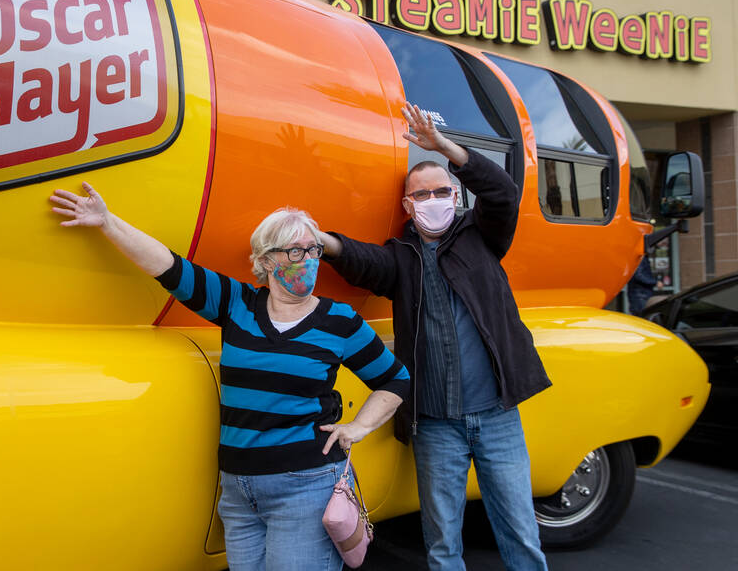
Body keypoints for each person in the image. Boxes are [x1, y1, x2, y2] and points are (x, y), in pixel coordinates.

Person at [49, 187, 410, 571]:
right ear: (266, 260)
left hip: (306, 486)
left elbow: (395, 379)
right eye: (295, 252)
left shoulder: (340, 321)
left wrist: (360, 426)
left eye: (314, 251)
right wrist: (107, 222)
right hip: (238, 489)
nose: (308, 261)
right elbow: (167, 266)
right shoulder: (237, 305)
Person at [317, 104, 552, 571]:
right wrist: (320, 240)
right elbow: (362, 261)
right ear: (407, 205)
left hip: (497, 416)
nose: (432, 200)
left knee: (521, 533)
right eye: (420, 195)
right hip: (434, 425)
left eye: (441, 191)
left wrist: (444, 147)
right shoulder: (401, 256)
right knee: (442, 544)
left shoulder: (482, 235)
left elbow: (503, 194)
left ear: (456, 195)